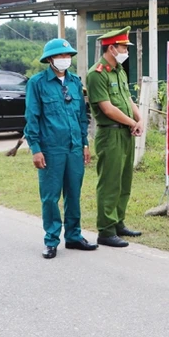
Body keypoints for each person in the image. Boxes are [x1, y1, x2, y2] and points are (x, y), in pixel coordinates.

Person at [25, 38, 97, 259]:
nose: (65, 59)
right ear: (49, 59)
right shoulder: (37, 83)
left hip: (75, 148)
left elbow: (82, 116)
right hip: (51, 149)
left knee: (73, 194)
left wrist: (85, 144)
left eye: (68, 56)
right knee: (50, 197)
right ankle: (51, 240)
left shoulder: (75, 82)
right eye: (60, 56)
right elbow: (32, 118)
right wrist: (36, 148)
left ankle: (74, 236)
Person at [85, 26, 144, 248]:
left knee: (124, 180)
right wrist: (132, 123)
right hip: (110, 134)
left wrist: (139, 120)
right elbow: (108, 109)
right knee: (109, 182)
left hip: (126, 134)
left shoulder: (119, 70)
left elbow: (128, 99)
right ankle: (106, 230)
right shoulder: (96, 74)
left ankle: (118, 222)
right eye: (123, 47)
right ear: (112, 48)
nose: (126, 51)